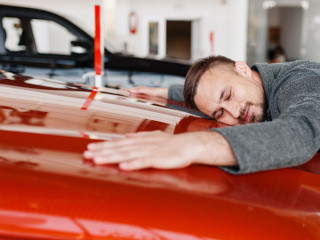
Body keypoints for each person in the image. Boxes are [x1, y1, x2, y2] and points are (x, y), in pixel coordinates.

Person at [83, 55, 320, 174]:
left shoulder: (302, 79)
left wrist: (193, 146)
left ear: (243, 69)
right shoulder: (248, 91)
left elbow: (302, 131)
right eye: (219, 113)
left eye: (228, 96)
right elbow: (210, 98)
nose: (234, 112)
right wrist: (165, 92)